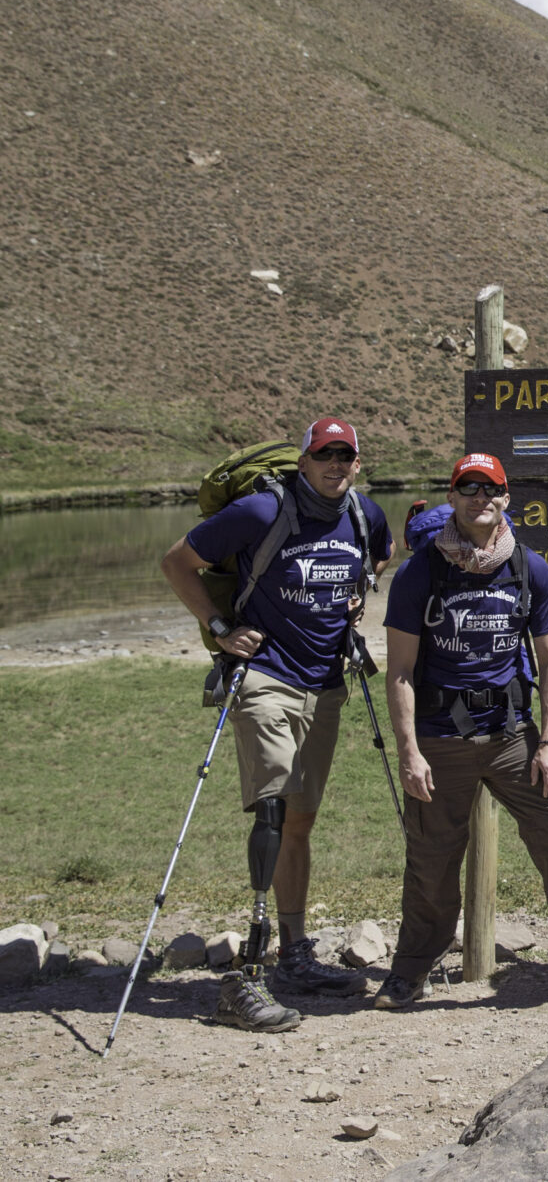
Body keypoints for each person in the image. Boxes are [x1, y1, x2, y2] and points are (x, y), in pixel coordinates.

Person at [160, 417, 393, 1032]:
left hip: (326, 685)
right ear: (304, 459)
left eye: (346, 455)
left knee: (300, 817)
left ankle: (294, 954)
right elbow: (178, 563)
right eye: (325, 454)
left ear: (358, 463)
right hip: (266, 674)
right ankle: (249, 977)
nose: (335, 464)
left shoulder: (366, 515)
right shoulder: (261, 512)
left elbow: (381, 559)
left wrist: (356, 595)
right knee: (271, 805)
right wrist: (219, 630)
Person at [378, 452, 548, 1008]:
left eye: (490, 488)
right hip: (440, 739)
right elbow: (398, 670)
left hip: (514, 735)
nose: (479, 497)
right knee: (431, 861)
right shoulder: (420, 571)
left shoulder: (527, 566)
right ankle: (410, 971)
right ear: (452, 498)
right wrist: (409, 753)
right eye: (468, 488)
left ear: (506, 498)